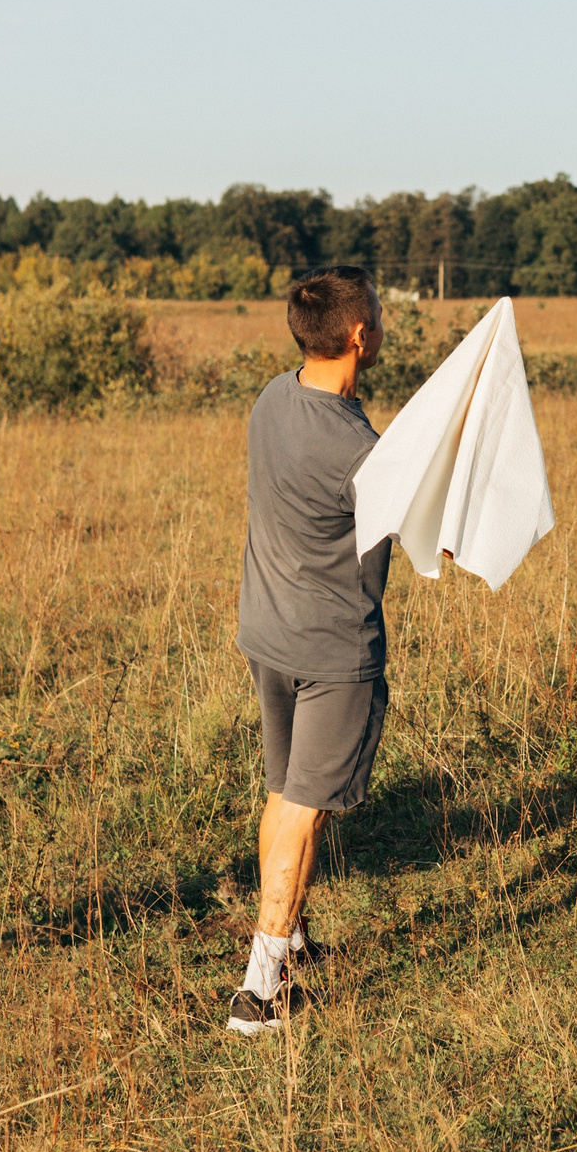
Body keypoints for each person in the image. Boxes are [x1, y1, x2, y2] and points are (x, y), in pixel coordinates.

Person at [227, 266, 390, 1035]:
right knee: (302, 807)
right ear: (360, 335)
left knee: (285, 793)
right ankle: (260, 992)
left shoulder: (270, 398)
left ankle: (287, 938)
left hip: (267, 630)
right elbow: (437, 537)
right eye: (380, 316)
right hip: (331, 651)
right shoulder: (360, 449)